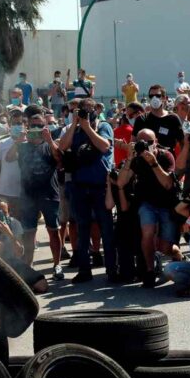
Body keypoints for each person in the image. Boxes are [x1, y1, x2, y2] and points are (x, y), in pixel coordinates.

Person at [57, 97, 116, 283]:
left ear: (96, 111)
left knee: (106, 229)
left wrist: (88, 127)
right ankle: (84, 270)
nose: (86, 114)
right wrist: (75, 124)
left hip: (100, 186)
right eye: (83, 111)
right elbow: (62, 146)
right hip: (79, 186)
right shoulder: (74, 129)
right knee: (82, 230)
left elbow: (105, 146)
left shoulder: (103, 126)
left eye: (90, 111)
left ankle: (112, 270)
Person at [118, 129, 176, 287]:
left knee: (166, 247)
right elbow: (121, 182)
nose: (145, 146)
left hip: (166, 203)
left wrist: (153, 163)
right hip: (146, 202)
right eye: (141, 143)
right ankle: (150, 270)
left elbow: (168, 183)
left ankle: (176, 255)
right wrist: (129, 158)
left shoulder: (165, 156)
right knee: (148, 231)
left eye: (149, 143)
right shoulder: (136, 159)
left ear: (156, 142)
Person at [12, 111, 63, 276]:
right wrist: (17, 141)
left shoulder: (50, 144)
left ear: (45, 127)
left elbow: (59, 159)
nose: (36, 129)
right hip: (28, 196)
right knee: (28, 232)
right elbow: (8, 157)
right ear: (28, 127)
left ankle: (57, 265)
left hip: (49, 194)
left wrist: (49, 140)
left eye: (40, 126)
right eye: (33, 126)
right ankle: (29, 264)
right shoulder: (22, 146)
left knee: (53, 231)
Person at [133, 85, 184, 152]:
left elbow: (182, 143)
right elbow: (133, 143)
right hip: (146, 160)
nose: (154, 98)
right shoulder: (141, 119)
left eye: (158, 96)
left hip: (167, 160)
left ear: (165, 98)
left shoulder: (173, 118)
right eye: (151, 96)